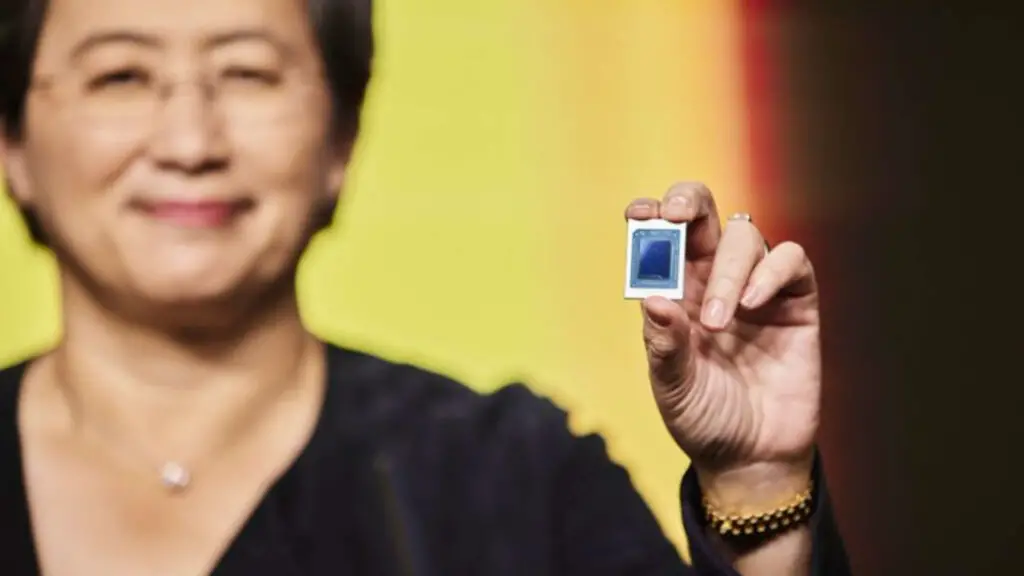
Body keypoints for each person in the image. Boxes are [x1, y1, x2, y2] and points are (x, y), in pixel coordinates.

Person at [0, 0, 850, 574]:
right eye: (120, 76)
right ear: (12, 144)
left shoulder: (514, 479)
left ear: (341, 138)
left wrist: (758, 484)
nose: (189, 139)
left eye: (248, 73)